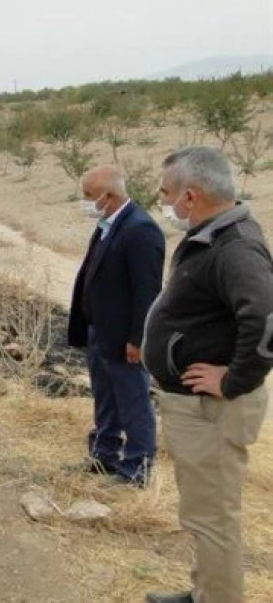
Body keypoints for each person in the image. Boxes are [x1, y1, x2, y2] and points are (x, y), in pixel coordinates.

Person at [141, 146, 272, 603]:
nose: (164, 201)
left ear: (191, 197)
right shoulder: (215, 235)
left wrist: (233, 380)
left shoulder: (236, 248)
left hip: (212, 409)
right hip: (198, 409)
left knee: (213, 519)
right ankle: (205, 593)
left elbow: (267, 319)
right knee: (204, 512)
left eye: (166, 193)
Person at [67, 165, 165, 487]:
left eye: (88, 196)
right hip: (100, 330)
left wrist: (138, 339)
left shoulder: (140, 230)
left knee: (133, 399)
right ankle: (104, 455)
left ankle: (136, 467)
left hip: (125, 337)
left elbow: (147, 291)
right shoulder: (107, 225)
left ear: (108, 196)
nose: (84, 202)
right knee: (105, 396)